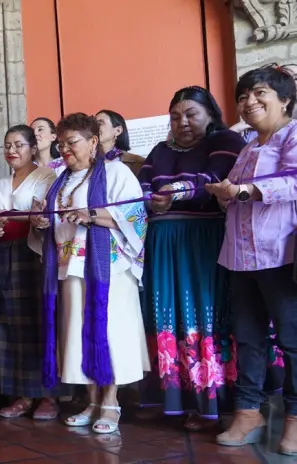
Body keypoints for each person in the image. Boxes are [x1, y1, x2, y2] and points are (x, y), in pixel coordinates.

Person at [30, 113, 149, 434]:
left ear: (93, 142)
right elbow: (52, 217)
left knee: (108, 332)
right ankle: (92, 401)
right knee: (78, 333)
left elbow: (136, 215)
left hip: (108, 269)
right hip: (69, 268)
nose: (65, 149)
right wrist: (42, 222)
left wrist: (92, 215)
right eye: (61, 144)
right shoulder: (59, 180)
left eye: (72, 142)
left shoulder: (115, 172)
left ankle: (111, 403)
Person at [136, 86, 246, 430]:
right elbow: (139, 186)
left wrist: (171, 194)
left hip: (201, 242)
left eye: (191, 114)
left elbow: (213, 181)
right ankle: (173, 400)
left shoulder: (224, 141)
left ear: (210, 114)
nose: (182, 122)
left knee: (200, 311)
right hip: (162, 243)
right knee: (164, 312)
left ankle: (208, 403)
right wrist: (150, 199)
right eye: (175, 115)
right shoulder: (159, 150)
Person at [206, 65, 297, 454]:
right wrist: (222, 192)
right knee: (247, 337)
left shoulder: (293, 134)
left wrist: (243, 191)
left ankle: (294, 417)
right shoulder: (247, 145)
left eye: (259, 93)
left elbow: (294, 180)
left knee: (293, 342)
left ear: (286, 100)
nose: (249, 102)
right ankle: (248, 412)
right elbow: (237, 192)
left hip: (282, 254)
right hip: (241, 258)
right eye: (243, 96)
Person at [0, 125, 69, 420]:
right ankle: (21, 394)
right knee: (9, 322)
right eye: (7, 145)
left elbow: (45, 217)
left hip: (35, 254)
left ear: (33, 147)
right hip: (5, 256)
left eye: (19, 145)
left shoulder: (47, 176)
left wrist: (15, 220)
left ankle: (49, 395)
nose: (12, 151)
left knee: (41, 320)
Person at [95, 109, 144, 175]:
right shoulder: (85, 162)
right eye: (93, 124)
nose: (94, 127)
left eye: (100, 123)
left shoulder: (138, 163)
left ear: (118, 131)